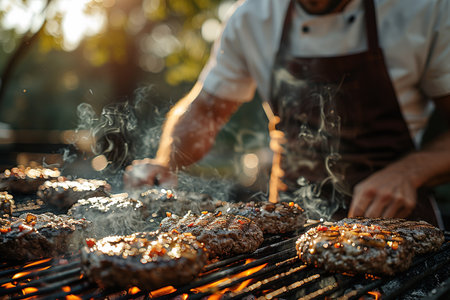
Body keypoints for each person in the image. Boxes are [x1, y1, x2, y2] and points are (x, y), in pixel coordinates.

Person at [123, 0, 450, 227]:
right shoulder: (251, 17)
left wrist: (409, 172)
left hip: (400, 228)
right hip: (290, 223)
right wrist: (165, 164)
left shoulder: (425, 10)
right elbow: (205, 110)